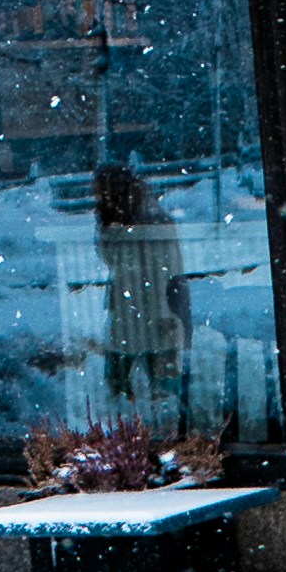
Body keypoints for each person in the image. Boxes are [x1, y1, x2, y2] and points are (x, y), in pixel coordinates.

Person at [93, 159, 191, 421]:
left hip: (145, 316)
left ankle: (138, 435)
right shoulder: (149, 221)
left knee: (127, 390)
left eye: (103, 193)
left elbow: (119, 260)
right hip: (146, 316)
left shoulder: (139, 226)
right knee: (158, 393)